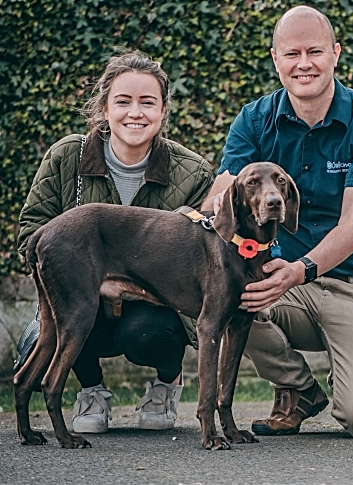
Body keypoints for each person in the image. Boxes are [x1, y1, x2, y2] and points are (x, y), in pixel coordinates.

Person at [202, 5, 353, 438]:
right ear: (276, 60)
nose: (304, 63)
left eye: (315, 51)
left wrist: (301, 270)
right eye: (291, 54)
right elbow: (221, 194)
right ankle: (298, 388)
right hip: (277, 283)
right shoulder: (254, 120)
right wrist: (210, 211)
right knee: (206, 296)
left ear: (335, 53)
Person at [16, 51, 214, 434]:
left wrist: (135, 283)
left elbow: (200, 257)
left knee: (149, 332)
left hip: (152, 306)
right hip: (82, 292)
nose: (134, 113)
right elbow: (31, 234)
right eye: (122, 101)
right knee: (77, 313)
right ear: (104, 107)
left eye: (147, 102)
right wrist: (86, 270)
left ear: (163, 110)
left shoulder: (193, 171)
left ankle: (165, 386)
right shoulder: (66, 156)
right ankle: (90, 390)